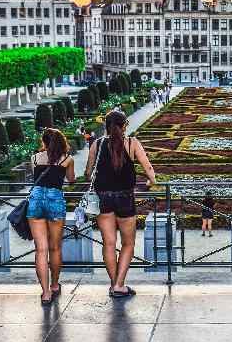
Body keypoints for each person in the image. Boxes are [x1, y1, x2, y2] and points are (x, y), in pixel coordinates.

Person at [85, 111, 157, 298]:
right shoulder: (132, 143)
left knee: (108, 243)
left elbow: (87, 172)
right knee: (128, 244)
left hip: (102, 198)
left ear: (106, 126)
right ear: (124, 125)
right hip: (125, 198)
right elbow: (148, 168)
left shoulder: (97, 144)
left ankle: (113, 284)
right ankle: (120, 285)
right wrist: (151, 181)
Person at [27, 128, 76, 305]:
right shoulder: (67, 159)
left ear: (44, 142)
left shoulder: (34, 158)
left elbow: (36, 178)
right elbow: (71, 180)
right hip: (55, 199)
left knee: (41, 249)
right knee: (55, 248)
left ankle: (45, 293)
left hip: (36, 199)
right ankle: (55, 285)